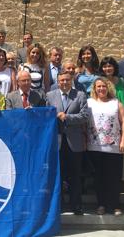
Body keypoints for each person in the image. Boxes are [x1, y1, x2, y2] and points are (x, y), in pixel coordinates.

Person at [46, 71, 89, 215]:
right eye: (61, 80)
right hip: (56, 142)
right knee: (58, 174)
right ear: (57, 82)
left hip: (74, 141)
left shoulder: (80, 95)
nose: (64, 82)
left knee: (75, 175)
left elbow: (85, 116)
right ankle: (59, 205)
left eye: (67, 80)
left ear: (71, 81)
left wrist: (67, 117)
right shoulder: (50, 96)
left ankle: (76, 205)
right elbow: (46, 116)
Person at [86, 77, 124, 216]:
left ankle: (115, 205)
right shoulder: (89, 103)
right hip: (95, 147)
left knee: (114, 178)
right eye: (98, 87)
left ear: (108, 87)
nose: (101, 89)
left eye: (103, 86)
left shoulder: (116, 103)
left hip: (114, 147)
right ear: (94, 88)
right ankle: (101, 205)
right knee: (99, 178)